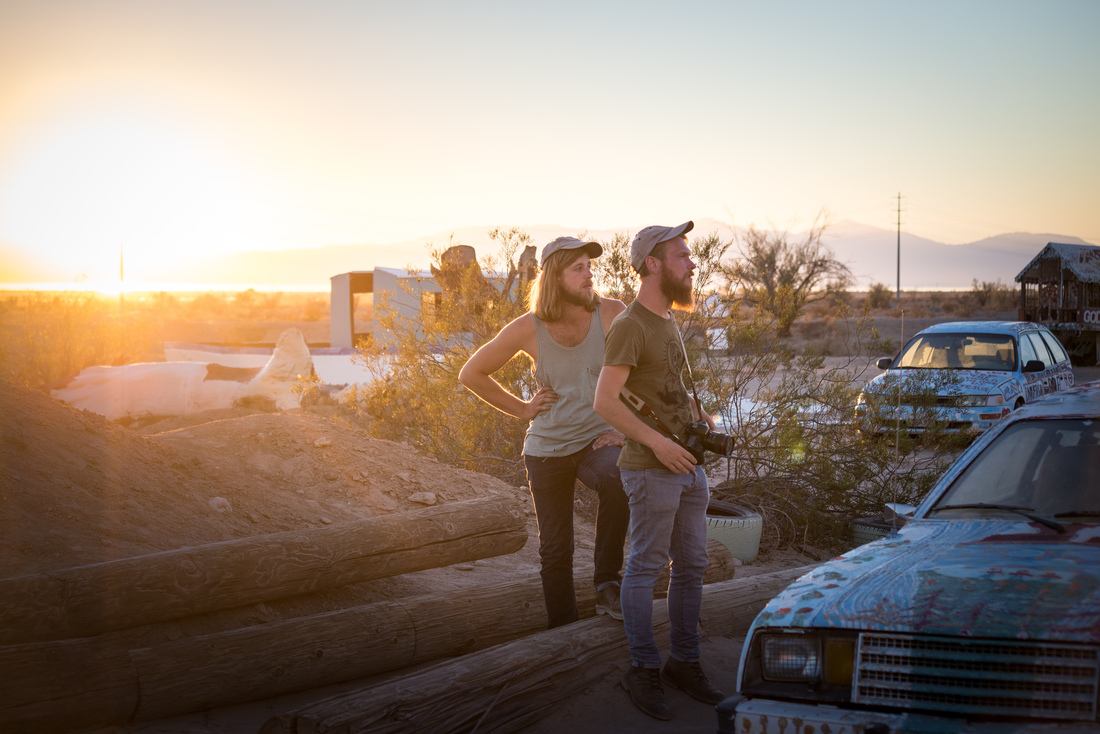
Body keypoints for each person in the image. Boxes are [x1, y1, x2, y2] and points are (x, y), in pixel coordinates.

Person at [459, 236, 629, 628]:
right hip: (547, 448)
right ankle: (564, 631)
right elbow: (471, 373)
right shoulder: (528, 328)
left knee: (620, 475)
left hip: (596, 439)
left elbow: (645, 372)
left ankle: (607, 583)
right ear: (555, 276)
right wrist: (521, 409)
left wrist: (628, 431)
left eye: (590, 267)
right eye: (579, 268)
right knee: (555, 549)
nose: (589, 275)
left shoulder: (612, 313)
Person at [593, 220, 725, 720]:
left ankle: (684, 663)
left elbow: (659, 388)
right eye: (682, 256)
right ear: (653, 263)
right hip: (651, 468)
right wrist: (659, 444)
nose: (692, 264)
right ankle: (643, 668)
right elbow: (604, 401)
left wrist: (696, 414)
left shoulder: (667, 320)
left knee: (692, 566)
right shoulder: (629, 325)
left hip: (688, 466)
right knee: (646, 567)